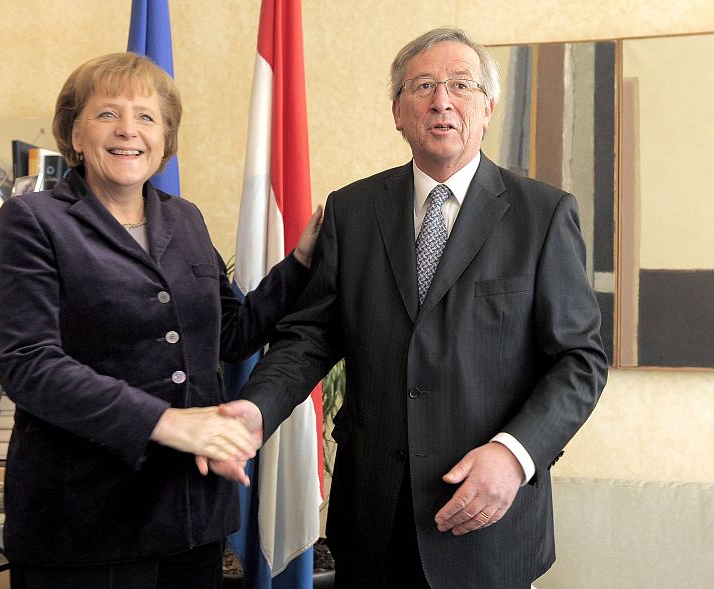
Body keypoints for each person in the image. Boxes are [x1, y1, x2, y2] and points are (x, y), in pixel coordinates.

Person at [219, 27, 608, 588]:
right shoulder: (352, 211)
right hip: (371, 520)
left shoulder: (542, 215)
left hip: (485, 521)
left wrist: (514, 454)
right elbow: (309, 338)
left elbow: (579, 361)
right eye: (422, 86)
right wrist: (255, 410)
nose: (441, 100)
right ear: (397, 112)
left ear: (488, 108)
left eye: (461, 85)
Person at [0, 52, 321, 589]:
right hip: (85, 526)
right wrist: (169, 423)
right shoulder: (33, 220)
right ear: (74, 134)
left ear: (165, 139)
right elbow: (30, 365)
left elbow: (231, 335)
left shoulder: (184, 218)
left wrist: (300, 263)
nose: (128, 130)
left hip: (190, 518)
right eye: (107, 114)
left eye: (146, 117)